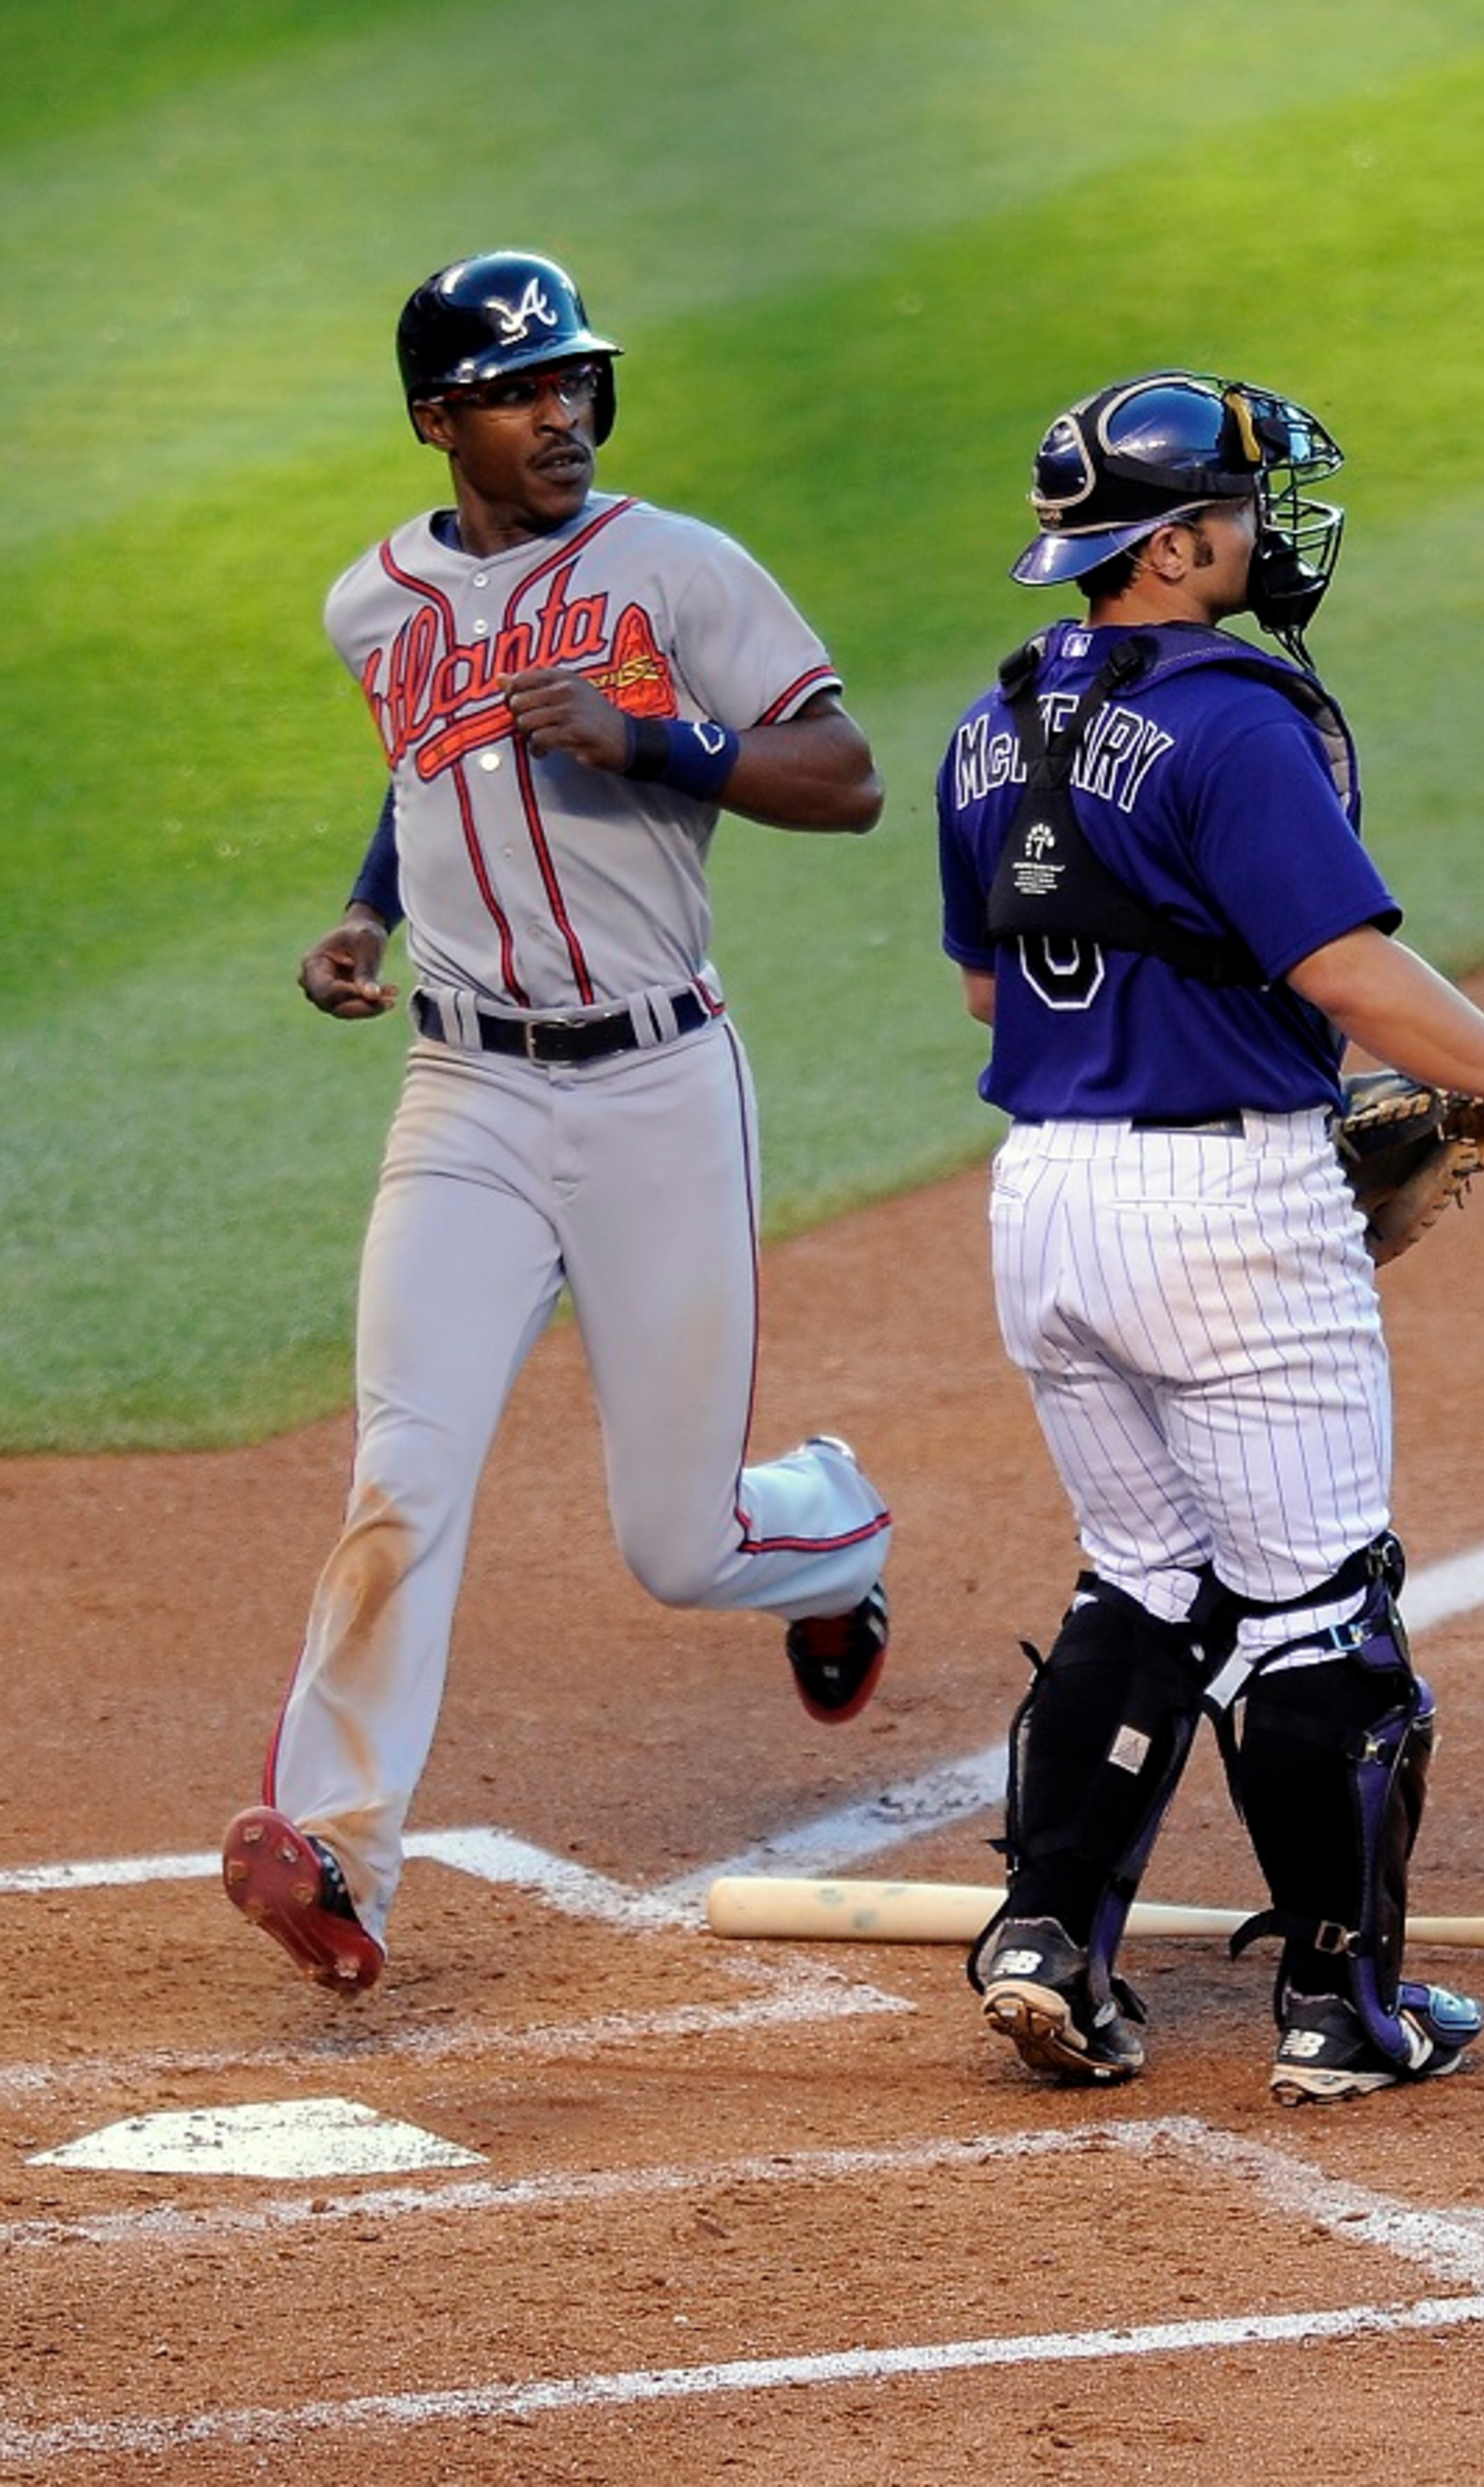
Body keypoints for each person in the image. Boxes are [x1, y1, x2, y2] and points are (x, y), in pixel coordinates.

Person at [935, 370, 1484, 2102]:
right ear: (1173, 547)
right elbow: (1345, 972)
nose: (1267, 529)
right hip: (1226, 1199)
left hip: (1046, 1203)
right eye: (1242, 507)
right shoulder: (1236, 721)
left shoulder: (993, 718)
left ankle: (1046, 1935)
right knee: (1326, 1610)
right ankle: (1347, 2013)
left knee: (1149, 1575)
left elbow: (986, 985)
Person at [222, 250, 892, 1996]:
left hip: (660, 1084)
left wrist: (651, 739)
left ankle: (837, 1531)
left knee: (684, 1545)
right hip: (466, 1094)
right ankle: (341, 1861)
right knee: (401, 1471)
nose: (562, 415)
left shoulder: (679, 570)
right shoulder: (371, 603)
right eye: (523, 392)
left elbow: (849, 775)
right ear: (439, 419)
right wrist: (368, 911)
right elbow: (425, 761)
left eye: (576, 382)